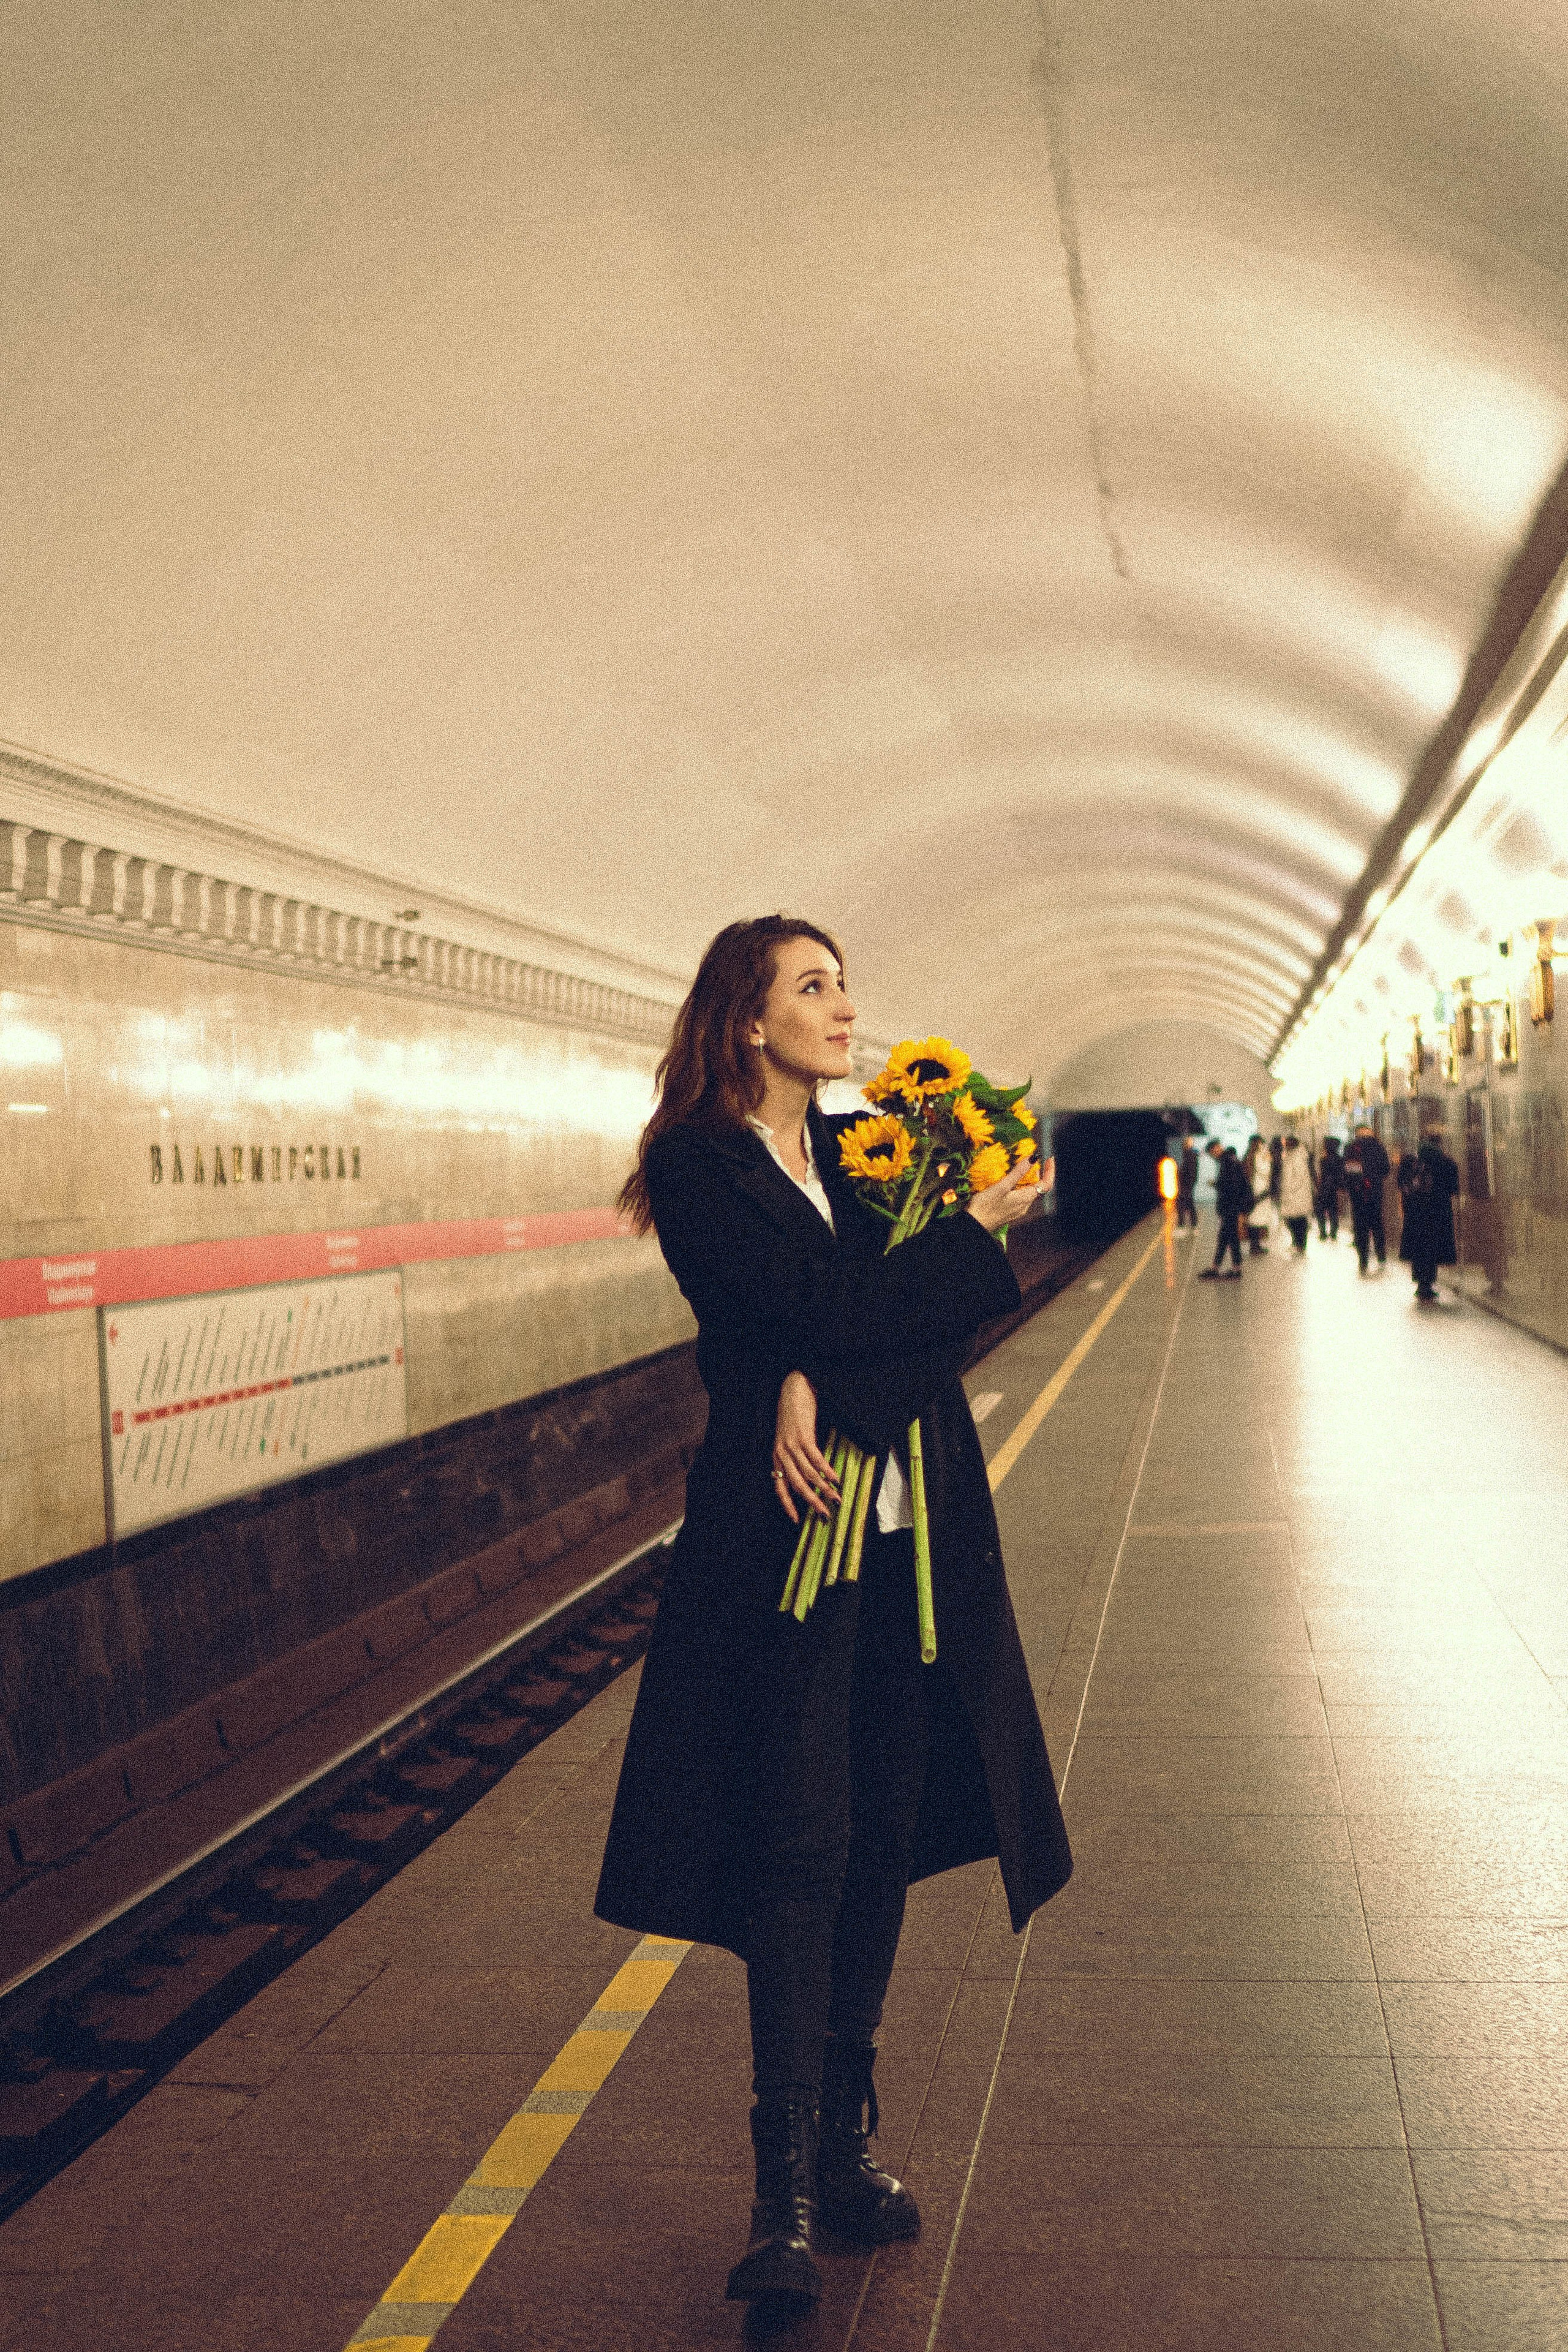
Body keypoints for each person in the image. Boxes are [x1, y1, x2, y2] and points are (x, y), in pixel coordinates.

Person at [595, 916, 1072, 2315]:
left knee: (874, 1834)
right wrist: (841, 1334)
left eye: (846, 982)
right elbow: (808, 1298)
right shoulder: (694, 1164)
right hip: (782, 1552)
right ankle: (780, 2193)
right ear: (746, 1020)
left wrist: (812, 1374)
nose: (843, 1007)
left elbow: (899, 1326)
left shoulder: (868, 1156)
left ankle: (845, 2145)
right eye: (813, 986)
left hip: (908, 1550)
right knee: (794, 1845)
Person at [1398, 1126, 1460, 1301]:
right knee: (1433, 1249)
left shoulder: (1410, 1163)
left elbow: (1401, 1185)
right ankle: (1428, 1283)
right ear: (1439, 1144)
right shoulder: (1447, 1163)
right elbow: (1454, 1189)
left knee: (1419, 1250)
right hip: (1437, 1214)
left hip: (1416, 1215)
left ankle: (1421, 1284)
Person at [1341, 1122, 1391, 1273]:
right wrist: (1374, 1177)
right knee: (1377, 1224)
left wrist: (1356, 1183)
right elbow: (1386, 1169)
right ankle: (1381, 1256)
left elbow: (1349, 1171)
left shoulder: (1351, 1148)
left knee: (1360, 1226)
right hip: (1375, 1192)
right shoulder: (1378, 1147)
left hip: (1358, 1194)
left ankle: (1363, 1260)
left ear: (1357, 1133)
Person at [1199, 1142, 1251, 1277]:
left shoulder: (1228, 1162)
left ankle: (1218, 1269)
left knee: (1225, 1238)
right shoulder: (1229, 1160)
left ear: (1216, 1148)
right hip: (1231, 1207)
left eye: (1212, 1153)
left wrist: (1236, 1210)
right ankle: (1234, 1268)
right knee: (1230, 1238)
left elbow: (1233, 1187)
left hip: (1231, 1207)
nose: (1213, 1156)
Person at [1278, 1134, 1313, 1252]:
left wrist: (1289, 1189)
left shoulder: (1297, 1157)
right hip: (1293, 1195)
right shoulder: (1291, 1155)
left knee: (1298, 1221)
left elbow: (1300, 1176)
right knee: (1293, 1220)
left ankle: (1301, 1245)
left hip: (1297, 1195)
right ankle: (1298, 1243)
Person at [1242, 1136, 1273, 1254]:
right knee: (1255, 1219)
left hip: (1254, 1190)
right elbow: (1265, 1171)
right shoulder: (1259, 1156)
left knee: (1254, 1218)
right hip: (1260, 1190)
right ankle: (1255, 1246)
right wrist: (1269, 1160)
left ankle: (1255, 1245)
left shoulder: (1250, 1155)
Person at [1314, 1136, 1344, 1240]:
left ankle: (1323, 1233)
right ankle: (1333, 1233)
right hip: (1334, 1188)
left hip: (1324, 1187)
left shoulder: (1325, 1159)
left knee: (1320, 1210)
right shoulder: (1340, 1159)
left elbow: (1322, 1174)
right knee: (1333, 1211)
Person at [1175, 1140, 1199, 1230]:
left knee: (1182, 1203)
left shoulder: (1190, 1155)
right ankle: (1192, 1223)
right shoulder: (1190, 1154)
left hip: (1187, 1183)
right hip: (1187, 1183)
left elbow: (1189, 1170)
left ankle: (1182, 1224)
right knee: (1188, 1203)